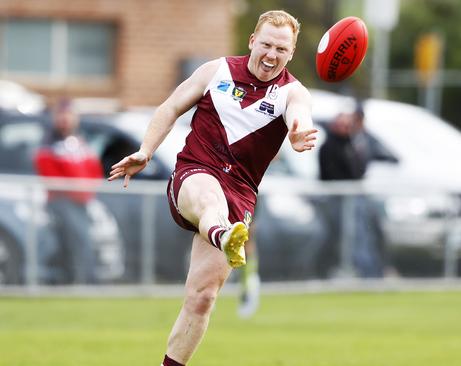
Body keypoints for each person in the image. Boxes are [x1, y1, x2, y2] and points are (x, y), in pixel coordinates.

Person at [108, 10, 316, 366]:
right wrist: (146, 150)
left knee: (202, 297)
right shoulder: (215, 71)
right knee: (209, 198)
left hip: (240, 195)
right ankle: (222, 235)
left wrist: (298, 133)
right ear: (252, 41)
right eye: (266, 44)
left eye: (281, 49)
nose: (271, 54)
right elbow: (170, 106)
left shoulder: (291, 92)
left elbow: (301, 116)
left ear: (291, 53)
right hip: (195, 173)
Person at [34, 98, 104, 284]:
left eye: (69, 115)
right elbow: (51, 174)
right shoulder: (48, 144)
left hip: (82, 203)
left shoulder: (81, 142)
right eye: (61, 115)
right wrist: (78, 191)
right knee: (74, 243)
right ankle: (83, 282)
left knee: (81, 242)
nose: (65, 119)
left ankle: (81, 281)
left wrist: (86, 192)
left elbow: (94, 171)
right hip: (61, 203)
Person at [318, 107, 384, 277]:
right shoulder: (329, 147)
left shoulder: (354, 144)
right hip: (339, 200)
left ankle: (369, 273)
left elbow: (358, 170)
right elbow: (331, 173)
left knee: (361, 237)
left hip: (353, 199)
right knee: (345, 238)